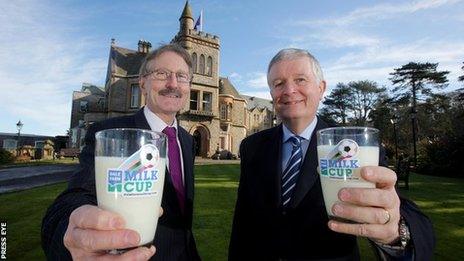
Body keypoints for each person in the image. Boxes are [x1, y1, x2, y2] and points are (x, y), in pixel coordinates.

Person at [229, 48, 434, 260]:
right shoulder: (252, 146)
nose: (289, 90)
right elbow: (243, 220)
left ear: (321, 88)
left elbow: (395, 204)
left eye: (300, 80)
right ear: (271, 93)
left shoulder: (353, 146)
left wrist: (395, 233)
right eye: (278, 84)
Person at [42, 44, 201, 261]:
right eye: (162, 74)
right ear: (143, 83)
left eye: (181, 76)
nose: (173, 83)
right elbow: (76, 197)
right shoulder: (109, 134)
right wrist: (70, 235)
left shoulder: (187, 139)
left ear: (189, 85)